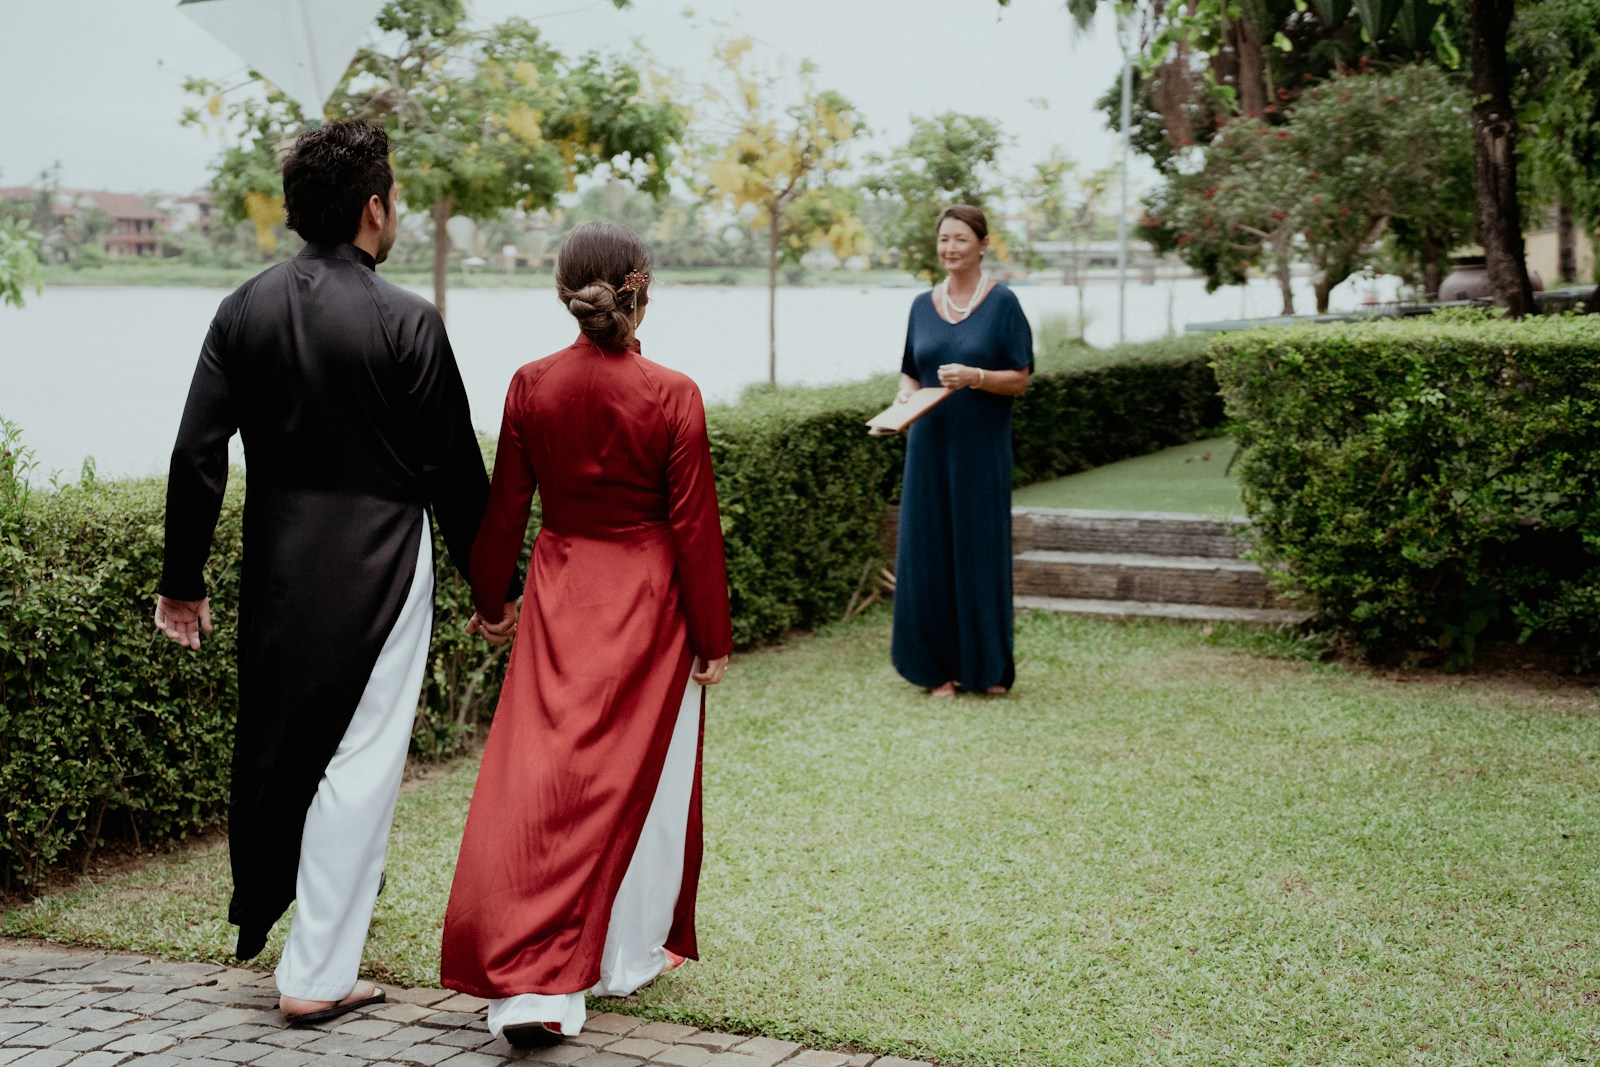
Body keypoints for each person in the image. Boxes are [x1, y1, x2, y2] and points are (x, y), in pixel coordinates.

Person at [154, 120, 506, 1026]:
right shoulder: (408, 321)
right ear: (372, 207)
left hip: (277, 565)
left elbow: (197, 453)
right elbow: (456, 476)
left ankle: (304, 942)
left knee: (280, 755)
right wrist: (492, 588)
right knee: (360, 760)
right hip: (387, 567)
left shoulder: (243, 307)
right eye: (392, 199)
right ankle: (316, 970)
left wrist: (181, 580)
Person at [440, 221, 733, 1047]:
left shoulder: (532, 384)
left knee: (538, 779)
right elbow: (694, 530)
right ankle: (613, 954)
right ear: (642, 286)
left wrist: (495, 597)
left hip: (562, 593)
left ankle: (537, 973)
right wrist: (713, 633)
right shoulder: (673, 392)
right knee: (636, 776)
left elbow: (506, 510)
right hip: (647, 600)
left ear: (565, 292)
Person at [891, 204, 1033, 697]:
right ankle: (935, 671)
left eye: (960, 240)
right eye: (944, 240)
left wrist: (976, 378)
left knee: (979, 552)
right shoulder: (919, 304)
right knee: (927, 554)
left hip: (980, 450)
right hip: (927, 447)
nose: (950, 248)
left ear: (982, 245)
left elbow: (1020, 379)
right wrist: (901, 401)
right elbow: (911, 370)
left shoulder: (1004, 304)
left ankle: (987, 668)